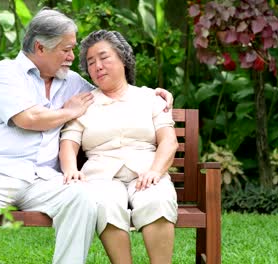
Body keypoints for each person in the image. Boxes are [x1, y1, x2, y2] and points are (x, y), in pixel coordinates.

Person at [0, 9, 174, 264]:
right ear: (40, 47)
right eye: (66, 50)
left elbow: (112, 90)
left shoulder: (72, 82)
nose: (71, 57)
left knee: (84, 198)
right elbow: (28, 119)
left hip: (44, 179)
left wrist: (151, 93)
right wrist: (67, 111)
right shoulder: (5, 73)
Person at [59, 29, 179, 264]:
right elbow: (68, 143)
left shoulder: (151, 99)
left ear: (123, 59)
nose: (97, 66)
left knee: (157, 200)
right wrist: (70, 170)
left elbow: (169, 141)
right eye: (91, 62)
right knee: (105, 204)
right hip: (101, 177)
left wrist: (155, 171)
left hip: (147, 171)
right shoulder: (84, 103)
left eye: (104, 58)